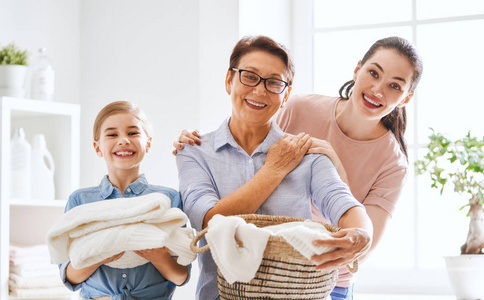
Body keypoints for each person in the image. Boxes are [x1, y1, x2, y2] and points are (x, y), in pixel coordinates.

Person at [174, 36, 423, 300]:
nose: (260, 90)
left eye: (273, 82)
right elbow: (208, 222)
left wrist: (360, 235)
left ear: (285, 94)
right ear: (229, 80)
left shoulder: (313, 154)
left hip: (319, 278)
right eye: (249, 76)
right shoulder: (195, 150)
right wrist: (274, 169)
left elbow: (346, 206)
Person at [59, 101, 190, 300]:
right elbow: (70, 277)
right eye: (112, 134)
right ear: (97, 147)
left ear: (148, 143)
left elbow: (180, 276)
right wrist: (98, 256)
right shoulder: (81, 201)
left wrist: (159, 256)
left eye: (133, 133)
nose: (123, 141)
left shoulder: (167, 199)